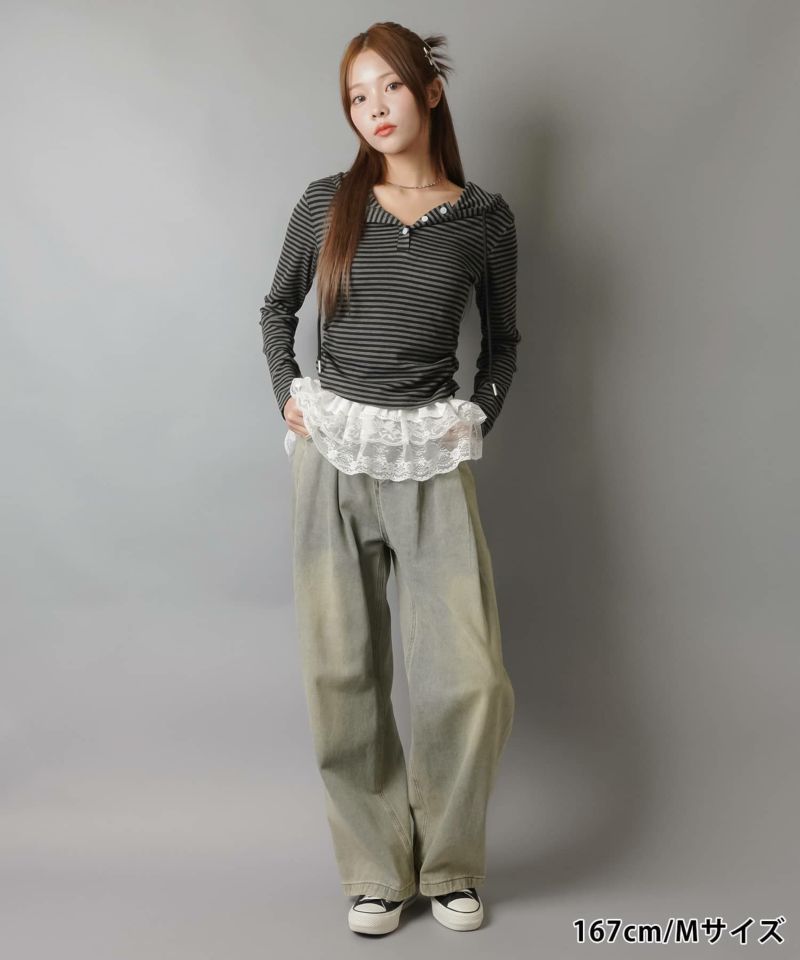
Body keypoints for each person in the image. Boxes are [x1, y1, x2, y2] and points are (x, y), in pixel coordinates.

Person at [258, 21, 520, 936]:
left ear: (430, 92)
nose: (373, 109)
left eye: (390, 88)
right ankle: (375, 871)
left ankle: (449, 864)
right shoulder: (326, 203)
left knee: (469, 679)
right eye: (356, 96)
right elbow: (276, 308)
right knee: (342, 673)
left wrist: (478, 412)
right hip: (332, 453)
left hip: (430, 459)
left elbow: (504, 341)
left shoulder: (484, 218)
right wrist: (288, 392)